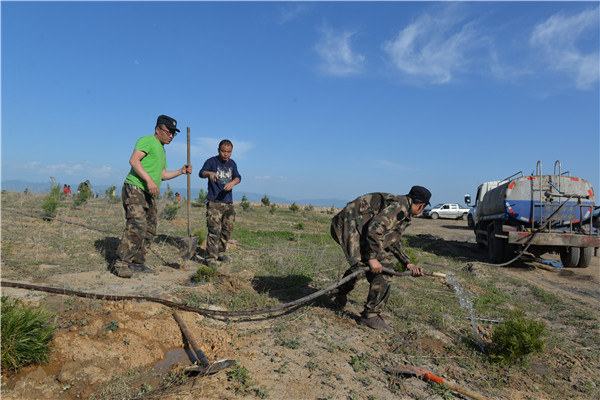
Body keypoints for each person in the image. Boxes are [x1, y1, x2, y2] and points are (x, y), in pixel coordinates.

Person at [329, 186, 432, 332]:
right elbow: (375, 228)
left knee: (363, 267)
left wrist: (408, 263)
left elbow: (392, 240)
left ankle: (337, 295)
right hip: (348, 225)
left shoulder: (401, 205)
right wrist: (372, 258)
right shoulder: (400, 207)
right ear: (421, 206)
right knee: (385, 267)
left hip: (351, 225)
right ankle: (371, 315)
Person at [112, 115, 193, 278]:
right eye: (168, 132)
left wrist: (180, 171)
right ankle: (121, 263)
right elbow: (134, 161)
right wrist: (149, 180)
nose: (171, 136)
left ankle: (138, 262)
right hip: (135, 187)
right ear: (158, 129)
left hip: (148, 192)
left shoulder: (162, 150)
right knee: (137, 223)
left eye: (173, 134)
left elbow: (162, 174)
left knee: (150, 228)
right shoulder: (148, 140)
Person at [199, 139, 241, 267]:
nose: (226, 154)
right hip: (214, 202)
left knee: (227, 229)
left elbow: (238, 177)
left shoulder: (232, 164)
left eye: (228, 152)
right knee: (214, 231)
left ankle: (220, 253)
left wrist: (232, 183)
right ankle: (210, 258)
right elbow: (201, 173)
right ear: (218, 150)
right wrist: (210, 173)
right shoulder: (211, 161)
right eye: (223, 151)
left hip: (228, 203)